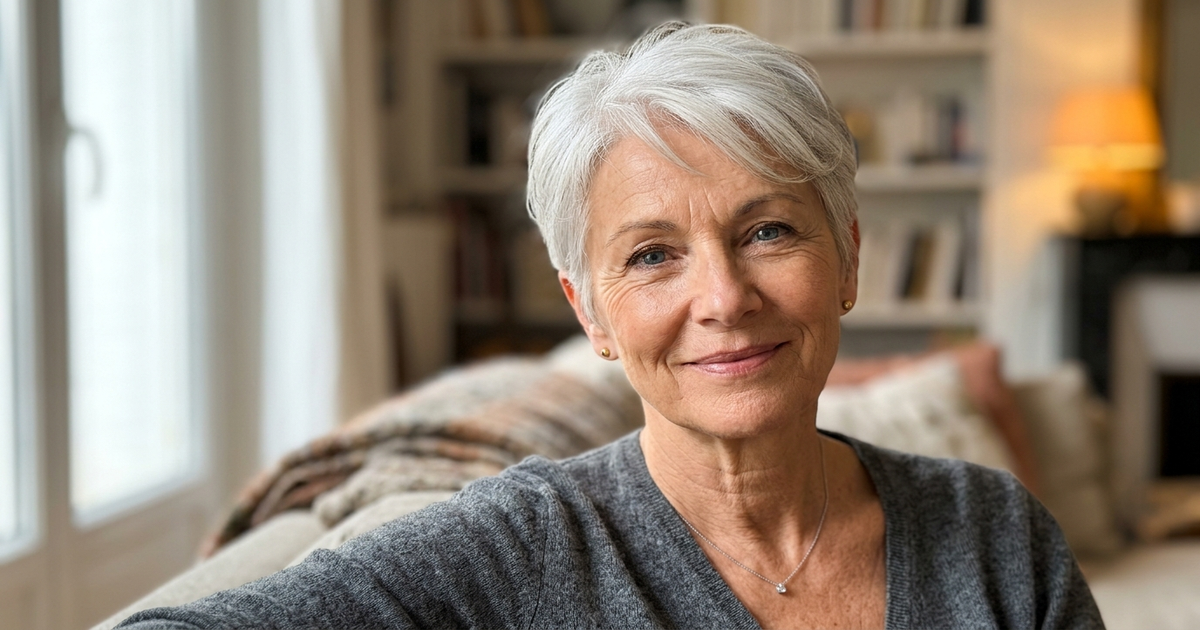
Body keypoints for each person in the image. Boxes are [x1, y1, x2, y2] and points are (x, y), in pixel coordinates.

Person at [119, 22, 1103, 629]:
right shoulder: (516, 545)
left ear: (847, 257)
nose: (721, 298)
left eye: (766, 231)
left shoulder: (993, 534)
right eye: (651, 254)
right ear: (587, 309)